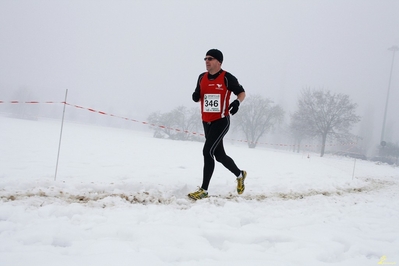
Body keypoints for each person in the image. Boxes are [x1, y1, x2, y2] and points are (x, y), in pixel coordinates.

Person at [188, 49, 247, 200]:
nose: (207, 61)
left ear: (219, 62)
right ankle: (240, 174)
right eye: (205, 58)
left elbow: (241, 93)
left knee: (207, 151)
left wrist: (236, 102)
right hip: (206, 121)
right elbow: (198, 95)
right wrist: (195, 96)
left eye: (210, 58)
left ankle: (204, 190)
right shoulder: (201, 77)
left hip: (221, 120)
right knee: (219, 155)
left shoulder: (227, 78)